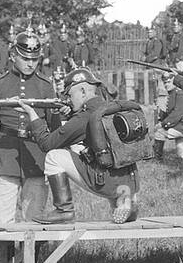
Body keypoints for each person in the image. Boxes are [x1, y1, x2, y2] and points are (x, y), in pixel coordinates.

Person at [18, 67, 139, 224]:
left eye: (69, 94)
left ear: (82, 91)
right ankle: (127, 203)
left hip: (106, 182)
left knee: (54, 157)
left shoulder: (85, 116)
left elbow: (47, 144)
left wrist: (32, 115)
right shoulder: (108, 107)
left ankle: (64, 210)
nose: (67, 98)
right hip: (130, 180)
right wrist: (69, 114)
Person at [0, 26, 63, 229]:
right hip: (5, 158)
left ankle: (32, 262)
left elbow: (54, 129)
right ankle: (5, 261)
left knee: (34, 224)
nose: (30, 63)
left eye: (34, 59)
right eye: (25, 58)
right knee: (0, 223)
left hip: (36, 160)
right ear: (13, 55)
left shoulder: (45, 85)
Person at [152, 74, 183, 162]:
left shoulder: (179, 93)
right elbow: (169, 112)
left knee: (159, 132)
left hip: (182, 126)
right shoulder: (171, 93)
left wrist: (163, 124)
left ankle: (157, 159)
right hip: (178, 125)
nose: (166, 85)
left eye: (169, 82)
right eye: (165, 83)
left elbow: (177, 113)